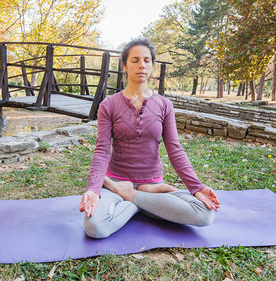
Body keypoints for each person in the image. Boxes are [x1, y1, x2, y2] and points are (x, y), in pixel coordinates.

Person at [79, 38, 220, 238]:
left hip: (151, 184)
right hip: (117, 181)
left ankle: (131, 198)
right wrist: (94, 189)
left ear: (152, 66)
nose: (141, 65)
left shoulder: (164, 105)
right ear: (125, 66)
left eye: (147, 60)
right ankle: (143, 203)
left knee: (204, 215)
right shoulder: (108, 105)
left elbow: (175, 149)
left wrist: (197, 187)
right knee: (95, 227)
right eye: (135, 60)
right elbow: (102, 150)